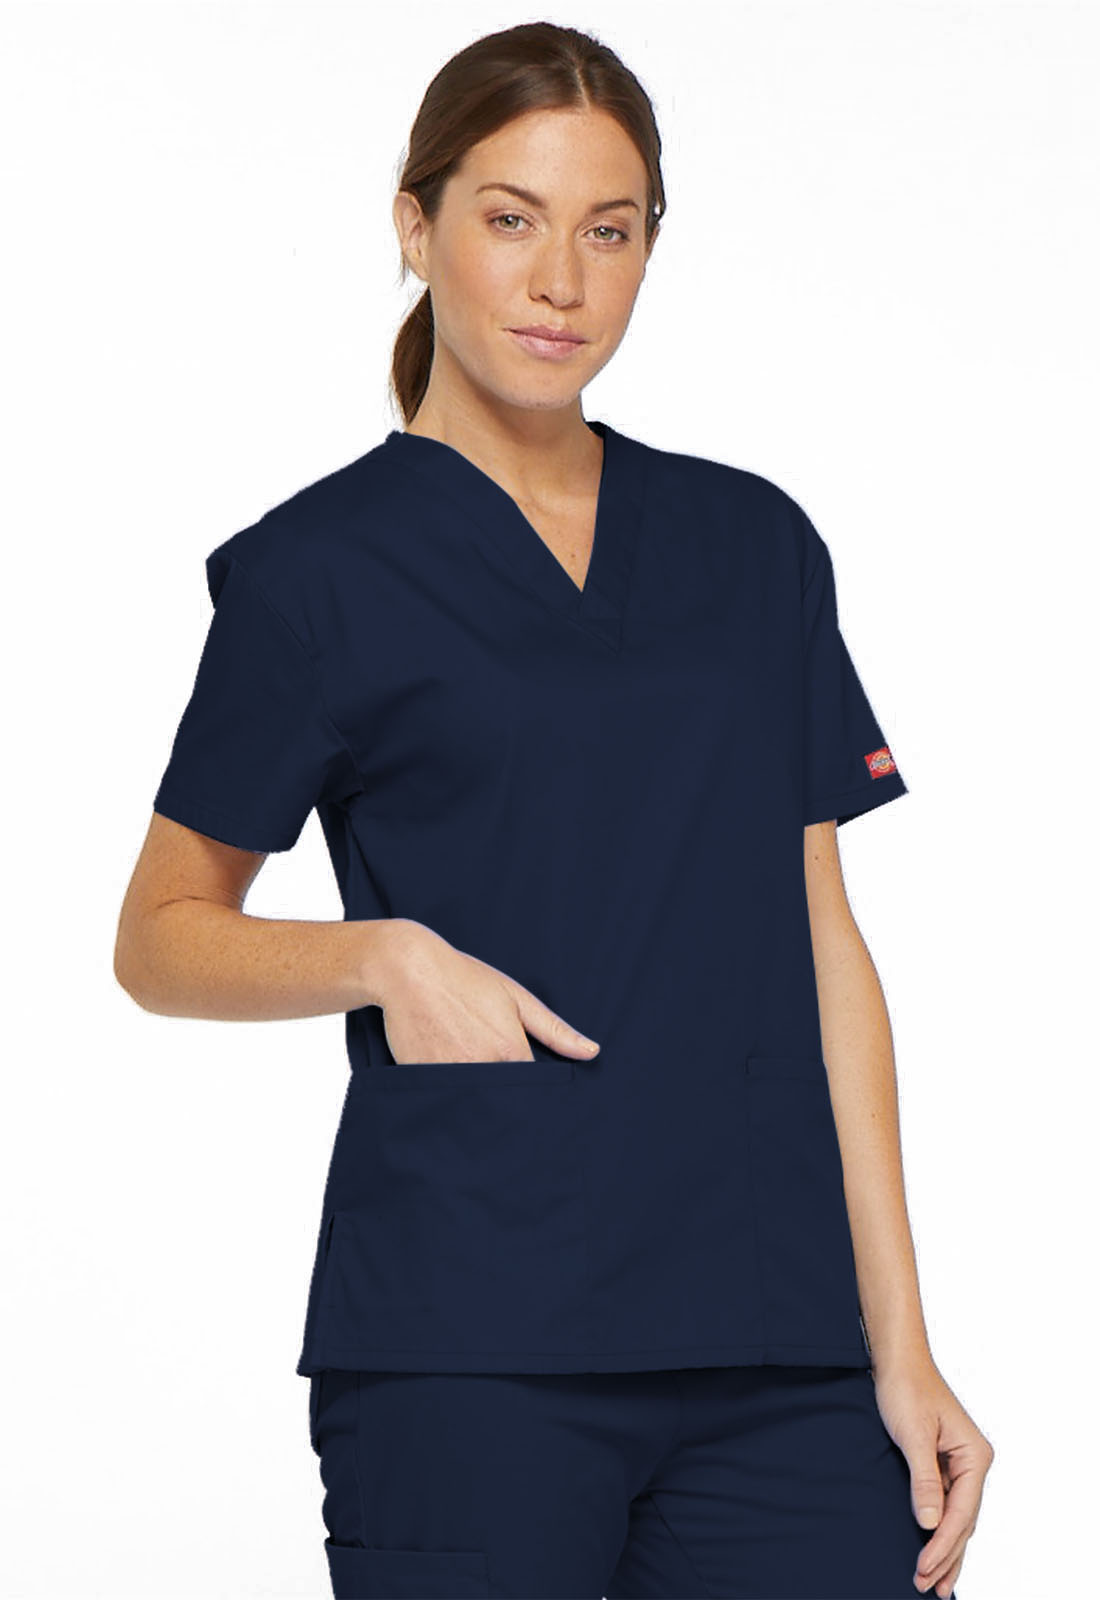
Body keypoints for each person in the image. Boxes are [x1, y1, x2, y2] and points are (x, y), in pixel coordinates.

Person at [114, 20, 994, 1600]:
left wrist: (902, 1342)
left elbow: (826, 948)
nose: (560, 282)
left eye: (610, 230)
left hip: (779, 1349)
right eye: (510, 219)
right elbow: (160, 938)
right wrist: (381, 957)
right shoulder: (314, 575)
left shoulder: (753, 546)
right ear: (417, 227)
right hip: (471, 1345)